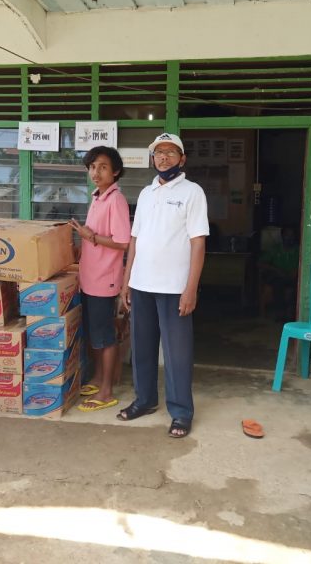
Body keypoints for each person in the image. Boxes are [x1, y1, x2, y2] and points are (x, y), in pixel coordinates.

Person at [118, 133, 209, 438]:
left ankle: (181, 412)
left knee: (176, 354)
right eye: (158, 152)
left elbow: (198, 243)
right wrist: (127, 281)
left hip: (174, 288)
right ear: (152, 158)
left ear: (182, 159)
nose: (164, 157)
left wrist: (191, 288)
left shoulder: (192, 192)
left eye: (170, 152)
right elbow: (134, 240)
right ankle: (144, 400)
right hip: (141, 284)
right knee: (141, 348)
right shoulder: (146, 194)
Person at [70, 146, 131, 412]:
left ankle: (106, 392)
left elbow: (123, 241)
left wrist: (90, 237)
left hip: (104, 280)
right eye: (92, 167)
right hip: (89, 278)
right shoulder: (98, 197)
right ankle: (97, 379)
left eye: (103, 167)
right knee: (95, 334)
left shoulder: (116, 199)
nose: (96, 172)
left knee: (105, 337)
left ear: (115, 172)